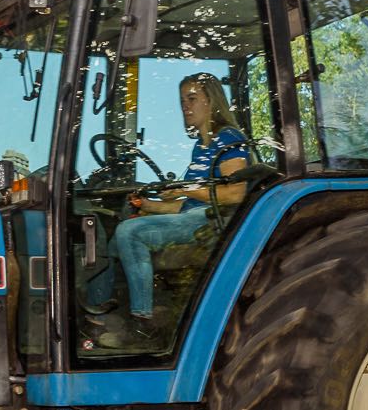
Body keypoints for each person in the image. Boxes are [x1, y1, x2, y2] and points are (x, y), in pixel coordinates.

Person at [84, 73, 253, 350]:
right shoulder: (200, 146)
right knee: (117, 235)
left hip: (214, 222)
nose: (185, 106)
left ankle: (143, 323)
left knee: (130, 233)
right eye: (182, 100)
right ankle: (103, 314)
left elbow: (234, 194)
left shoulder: (229, 139)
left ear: (211, 101)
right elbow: (188, 205)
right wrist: (149, 206)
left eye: (192, 98)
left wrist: (185, 189)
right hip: (195, 215)